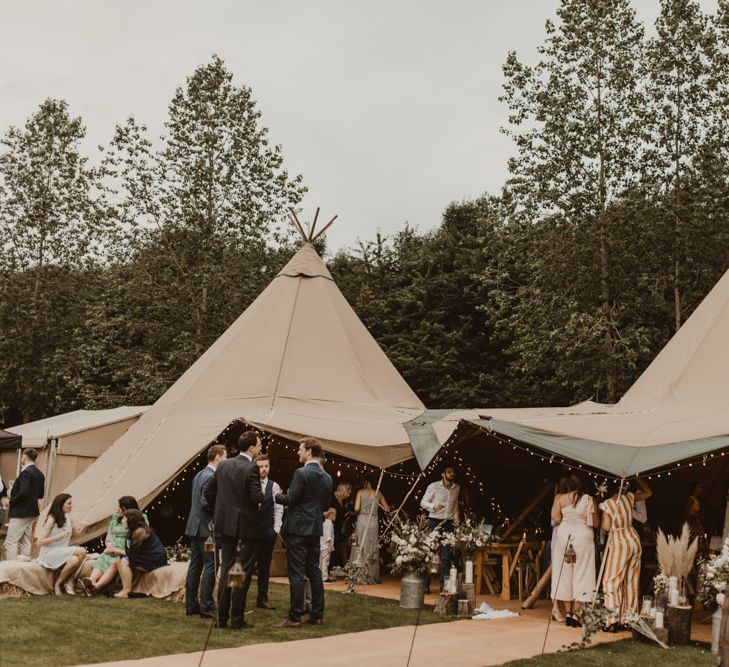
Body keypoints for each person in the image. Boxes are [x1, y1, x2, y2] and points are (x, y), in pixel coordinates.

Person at [204, 431, 264, 629]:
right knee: (240, 571)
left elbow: (208, 491)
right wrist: (266, 494)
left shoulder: (223, 465)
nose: (261, 448)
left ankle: (221, 618)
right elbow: (256, 497)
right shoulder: (251, 469)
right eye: (259, 445)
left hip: (224, 526)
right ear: (252, 448)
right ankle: (236, 619)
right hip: (245, 529)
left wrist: (219, 511)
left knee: (227, 568)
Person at [273, 437, 333, 628]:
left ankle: (295, 617)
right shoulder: (327, 477)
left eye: (300, 449)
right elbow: (324, 504)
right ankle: (317, 614)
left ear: (308, 451)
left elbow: (290, 499)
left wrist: (275, 495)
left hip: (298, 529)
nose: (297, 452)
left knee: (297, 573)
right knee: (314, 571)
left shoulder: (301, 473)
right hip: (315, 528)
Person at [600, 478, 652, 630]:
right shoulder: (629, 497)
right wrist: (638, 478)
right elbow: (649, 493)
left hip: (619, 542)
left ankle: (612, 620)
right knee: (631, 581)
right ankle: (629, 619)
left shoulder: (608, 504)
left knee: (611, 581)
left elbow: (607, 528)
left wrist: (604, 522)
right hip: (633, 539)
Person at [184, 444, 227, 618]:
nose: (225, 460)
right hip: (206, 531)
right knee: (211, 565)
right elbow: (205, 502)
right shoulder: (212, 476)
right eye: (224, 457)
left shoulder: (199, 474)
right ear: (217, 457)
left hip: (194, 528)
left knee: (195, 566)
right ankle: (207, 605)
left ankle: (191, 604)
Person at [550, 475, 598, 626]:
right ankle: (577, 614)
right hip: (583, 536)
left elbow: (556, 519)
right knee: (583, 573)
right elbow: (594, 523)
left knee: (564, 573)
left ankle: (569, 613)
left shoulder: (560, 498)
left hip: (565, 536)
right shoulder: (589, 499)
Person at [81, 496, 146, 595]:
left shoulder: (140, 517)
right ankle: (91, 581)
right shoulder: (116, 517)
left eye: (121, 507)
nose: (117, 509)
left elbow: (140, 536)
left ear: (128, 509)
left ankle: (95, 587)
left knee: (114, 560)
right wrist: (109, 546)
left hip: (126, 547)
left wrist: (115, 550)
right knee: (104, 558)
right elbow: (109, 535)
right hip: (112, 547)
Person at [35, 493, 87, 595]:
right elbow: (39, 542)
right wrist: (57, 537)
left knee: (74, 560)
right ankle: (66, 582)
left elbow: (76, 533)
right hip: (49, 552)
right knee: (82, 551)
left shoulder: (68, 517)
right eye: (69, 503)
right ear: (61, 505)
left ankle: (61, 583)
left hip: (61, 551)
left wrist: (82, 526)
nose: (72, 505)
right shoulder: (52, 519)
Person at [420, 465, 460, 592]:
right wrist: (433, 506)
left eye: (453, 472)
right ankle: (425, 585)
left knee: (446, 557)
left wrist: (456, 518)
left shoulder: (456, 488)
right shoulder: (434, 486)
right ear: (443, 474)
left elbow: (455, 505)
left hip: (448, 523)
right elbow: (422, 502)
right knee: (430, 554)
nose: (451, 474)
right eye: (449, 472)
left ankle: (444, 588)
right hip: (434, 522)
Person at [114, 509, 168, 598]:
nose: (122, 521)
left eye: (124, 518)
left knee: (124, 561)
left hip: (155, 560)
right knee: (120, 560)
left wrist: (120, 553)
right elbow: (132, 552)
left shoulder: (140, 532)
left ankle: (126, 590)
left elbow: (133, 552)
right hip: (148, 558)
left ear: (131, 520)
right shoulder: (134, 531)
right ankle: (124, 588)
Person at [350, 474, 391, 584]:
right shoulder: (379, 493)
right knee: (372, 547)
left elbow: (356, 508)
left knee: (360, 545)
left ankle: (358, 574)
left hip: (363, 520)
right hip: (373, 521)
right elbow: (387, 509)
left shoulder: (360, 492)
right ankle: (371, 575)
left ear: (366, 483)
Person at [5, 448, 45, 560]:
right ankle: (23, 566)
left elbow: (24, 493)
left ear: (25, 457)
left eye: (22, 456)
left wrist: (10, 501)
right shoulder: (40, 474)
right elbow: (40, 494)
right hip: (32, 513)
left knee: (11, 541)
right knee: (25, 541)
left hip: (20, 512)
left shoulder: (26, 473)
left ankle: (11, 568)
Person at [255, 453, 283, 610]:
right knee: (244, 566)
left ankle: (262, 598)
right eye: (260, 466)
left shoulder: (274, 486)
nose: (264, 469)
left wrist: (276, 529)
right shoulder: (250, 483)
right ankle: (238, 598)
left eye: (266, 466)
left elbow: (279, 509)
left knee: (264, 567)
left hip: (267, 531)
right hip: (250, 532)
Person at [331, 482, 353, 568]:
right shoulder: (331, 497)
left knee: (335, 550)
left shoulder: (343, 501)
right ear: (343, 490)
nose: (348, 495)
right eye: (348, 493)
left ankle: (328, 571)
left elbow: (341, 514)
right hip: (329, 527)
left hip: (338, 530)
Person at [320, 508, 336, 582]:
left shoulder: (324, 523)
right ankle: (324, 577)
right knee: (325, 562)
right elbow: (328, 536)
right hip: (326, 546)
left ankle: (320, 575)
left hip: (322, 545)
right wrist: (330, 546)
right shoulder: (329, 523)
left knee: (321, 561)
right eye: (335, 515)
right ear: (331, 515)